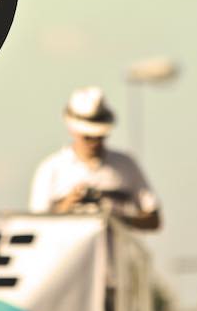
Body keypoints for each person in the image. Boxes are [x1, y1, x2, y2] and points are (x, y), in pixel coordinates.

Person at [29, 86, 160, 230]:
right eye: (88, 137)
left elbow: (154, 220)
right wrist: (66, 207)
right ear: (72, 130)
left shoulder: (126, 165)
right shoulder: (51, 168)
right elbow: (36, 225)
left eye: (99, 137)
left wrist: (117, 220)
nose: (94, 143)